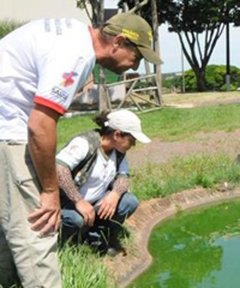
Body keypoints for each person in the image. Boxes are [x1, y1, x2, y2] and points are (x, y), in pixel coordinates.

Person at [0, 11, 161, 288]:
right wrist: (51, 192)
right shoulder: (76, 54)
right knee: (38, 231)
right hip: (10, 131)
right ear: (119, 42)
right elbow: (40, 125)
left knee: (9, 227)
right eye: (137, 56)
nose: (135, 65)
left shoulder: (73, 36)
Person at [57, 109, 150, 255]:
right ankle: (71, 242)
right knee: (75, 220)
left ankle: (97, 233)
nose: (134, 145)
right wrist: (78, 201)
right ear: (117, 134)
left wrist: (115, 194)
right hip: (69, 204)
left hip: (95, 203)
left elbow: (123, 177)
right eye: (132, 140)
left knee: (129, 202)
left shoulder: (118, 152)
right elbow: (59, 169)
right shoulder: (85, 143)